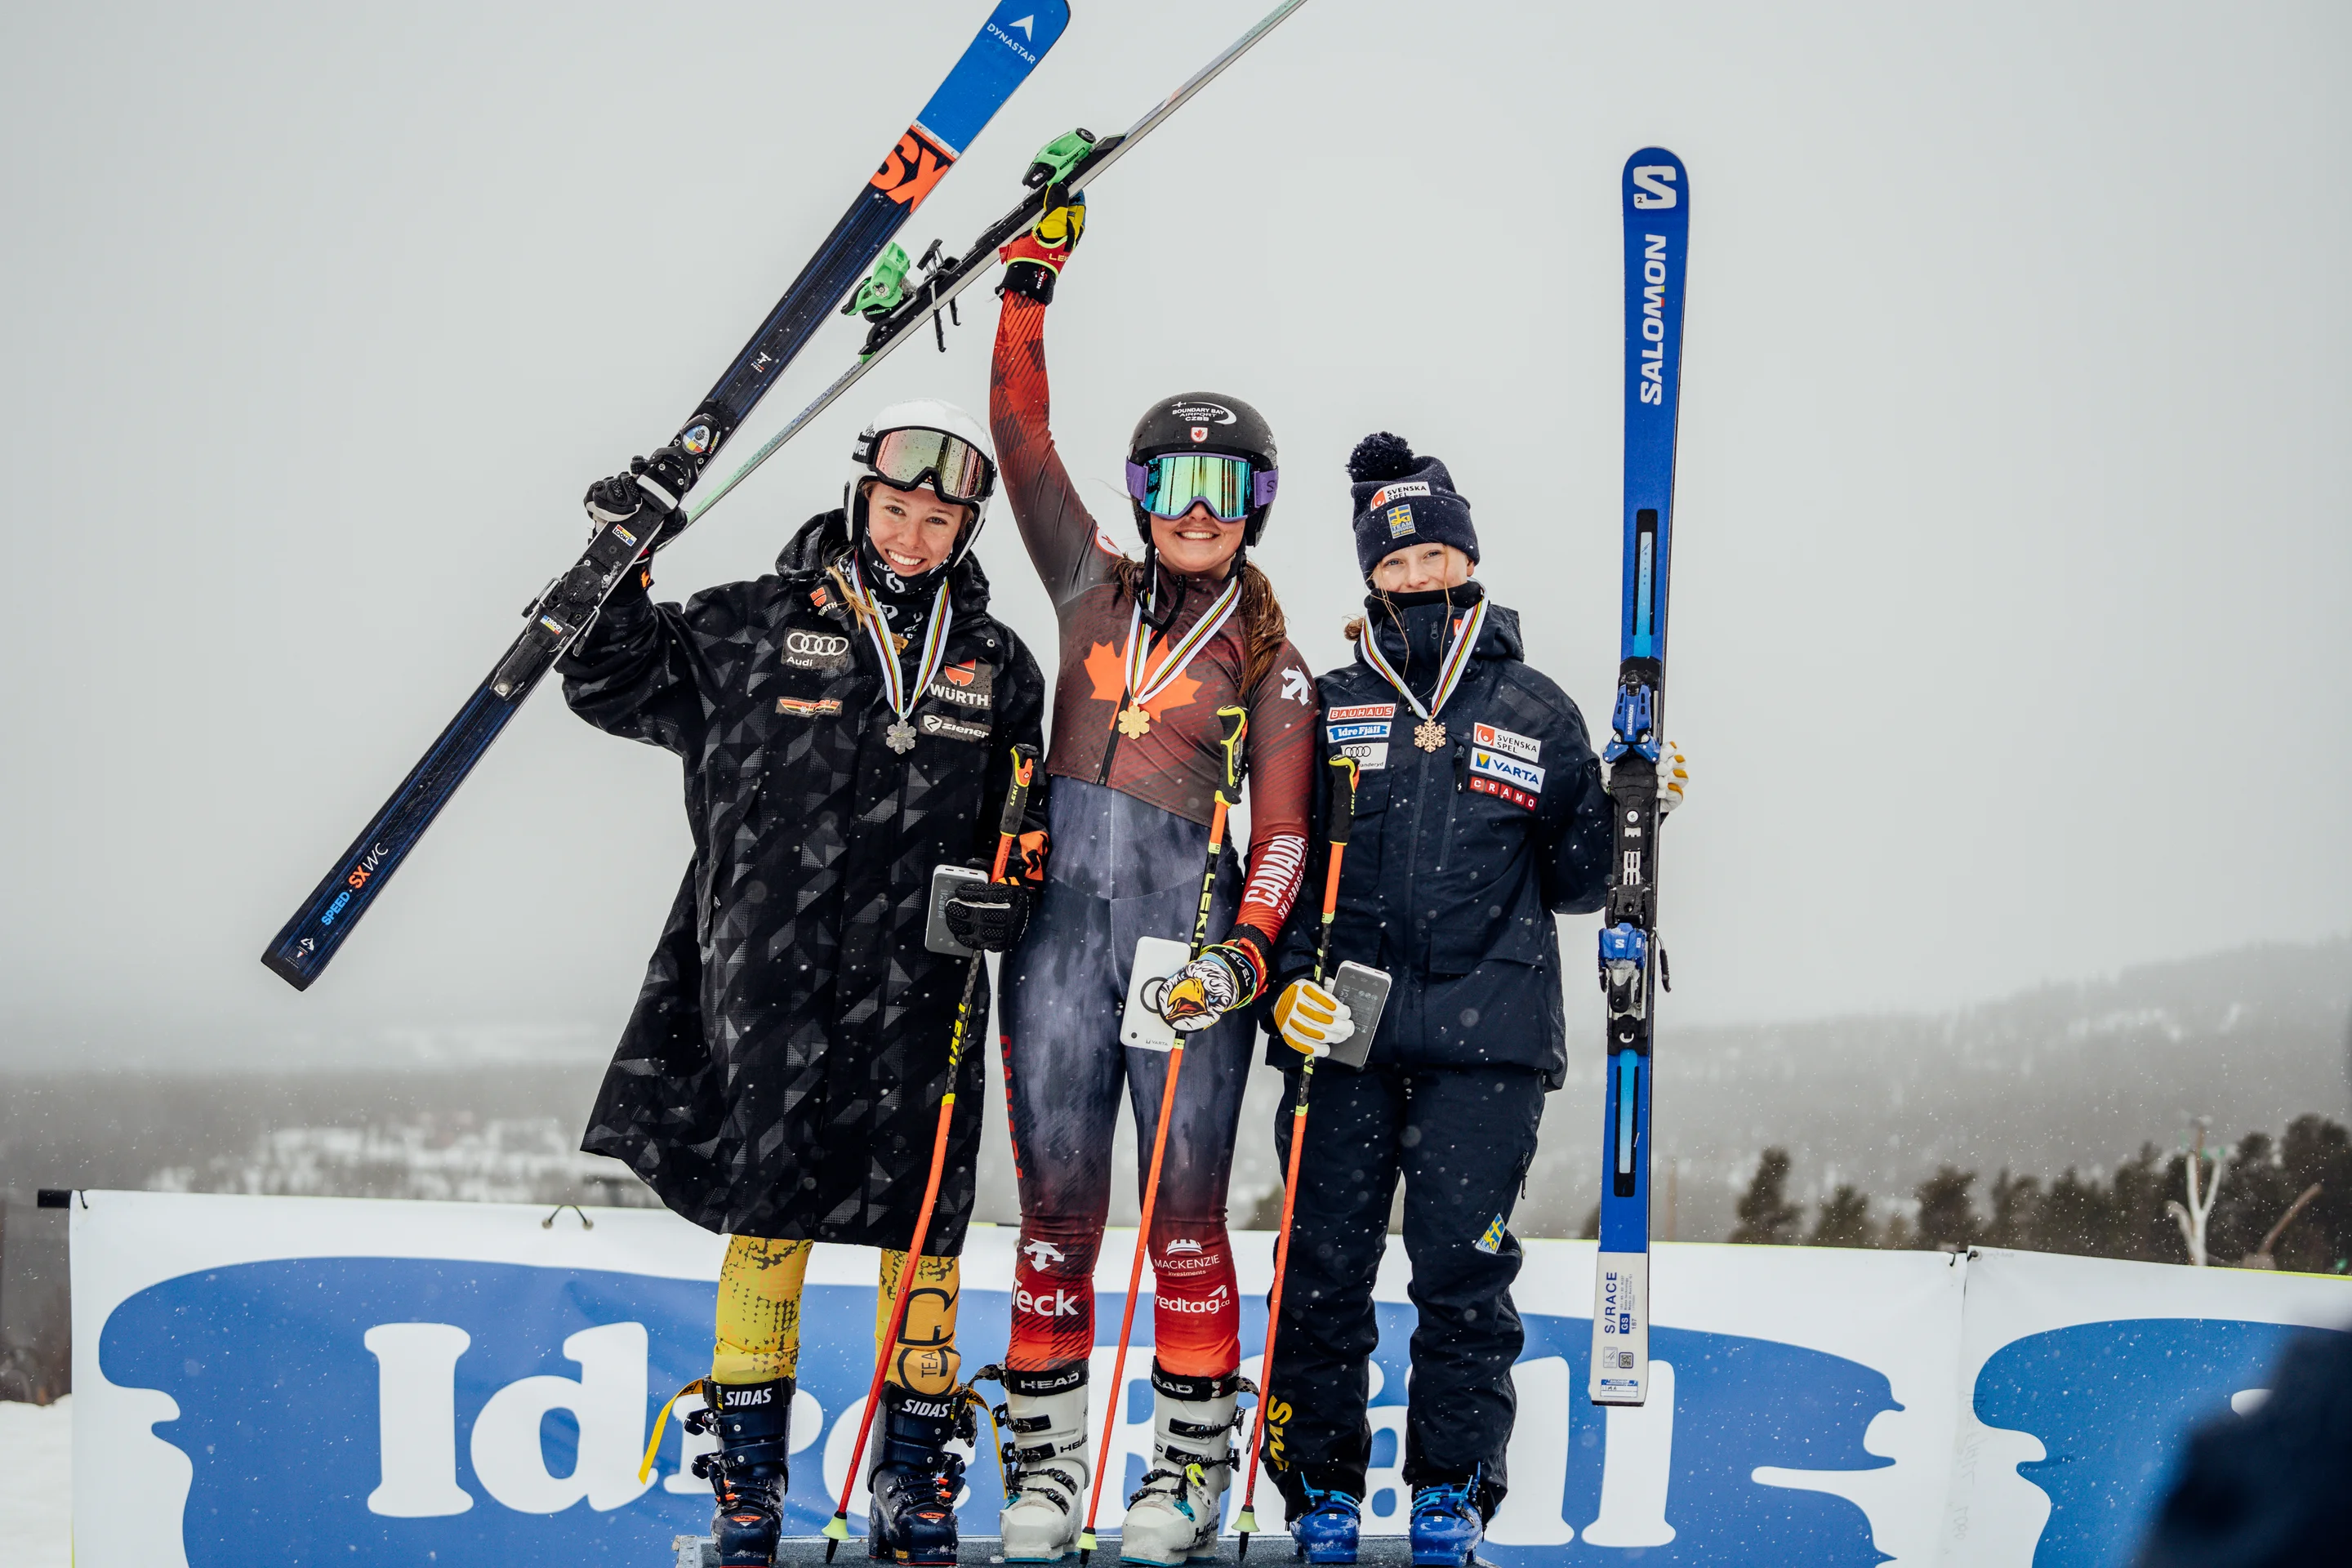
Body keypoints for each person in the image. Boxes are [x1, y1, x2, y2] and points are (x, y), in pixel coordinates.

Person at [558, 402, 1049, 1568]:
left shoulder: (996, 664)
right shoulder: (748, 626)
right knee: (766, 1219)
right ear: (858, 497)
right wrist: (618, 562)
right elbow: (608, 675)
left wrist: (1017, 887)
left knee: (921, 1232)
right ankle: (747, 1487)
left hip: (924, 996)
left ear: (967, 528)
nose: (913, 537)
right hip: (769, 982)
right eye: (895, 509)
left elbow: (1034, 822)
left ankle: (916, 1480)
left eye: (937, 520)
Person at [1254, 433, 1686, 1567]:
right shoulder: (1329, 702)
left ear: (1469, 560)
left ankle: (1451, 1488)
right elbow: (1280, 863)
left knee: (1463, 1273)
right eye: (1395, 563)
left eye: (1435, 556)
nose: (1417, 576)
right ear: (1370, 575)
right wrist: (1282, 994)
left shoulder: (1536, 709)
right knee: (1321, 1269)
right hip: (1340, 1038)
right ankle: (1319, 1489)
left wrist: (1635, 809)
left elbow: (1581, 883)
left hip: (1486, 1041)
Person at [983, 178, 1320, 1563]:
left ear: (1256, 508)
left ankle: (1183, 1477)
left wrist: (1246, 953)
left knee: (1185, 1220)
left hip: (1185, 955)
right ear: (1139, 497)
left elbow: (1284, 835)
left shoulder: (1275, 663)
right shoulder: (1087, 583)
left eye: (1224, 490)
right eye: (1172, 486)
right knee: (1056, 1216)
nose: (1196, 511)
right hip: (1059, 943)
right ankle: (1045, 1472)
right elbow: (1019, 435)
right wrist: (1029, 283)